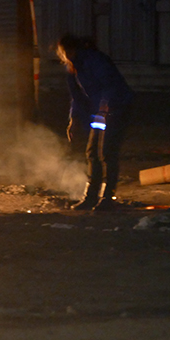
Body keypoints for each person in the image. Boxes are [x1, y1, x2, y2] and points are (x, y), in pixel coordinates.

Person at [56, 34, 134, 211]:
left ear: (73, 48)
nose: (64, 55)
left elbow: (111, 86)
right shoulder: (73, 68)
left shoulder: (94, 60)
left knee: (106, 152)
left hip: (117, 108)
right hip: (99, 113)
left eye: (65, 51)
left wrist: (103, 110)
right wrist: (73, 120)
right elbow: (76, 97)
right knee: (92, 152)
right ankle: (90, 197)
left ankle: (107, 198)